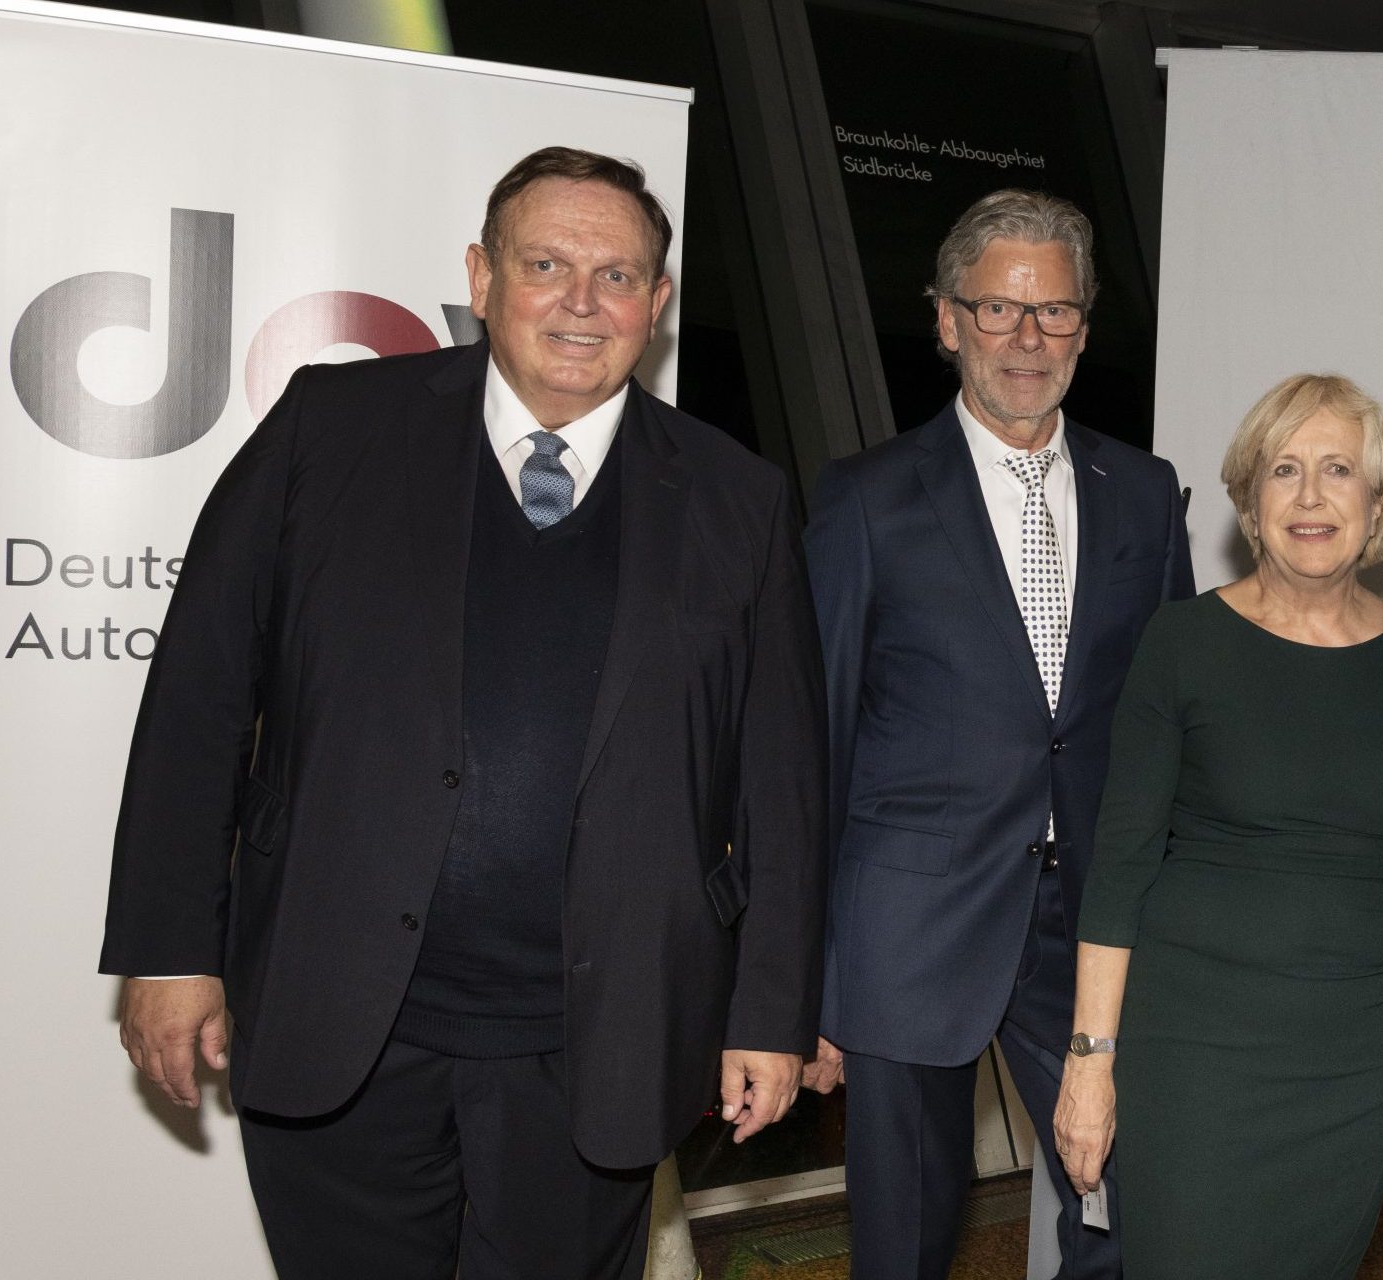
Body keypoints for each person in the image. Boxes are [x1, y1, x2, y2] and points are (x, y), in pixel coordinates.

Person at [100, 147, 827, 1280]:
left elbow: (782, 782)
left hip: (597, 1044)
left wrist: (771, 1010)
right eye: (545, 265)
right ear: (482, 277)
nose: (581, 302)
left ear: (657, 304)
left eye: (617, 276)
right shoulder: (331, 427)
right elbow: (200, 690)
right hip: (341, 1016)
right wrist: (168, 944)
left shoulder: (738, 495)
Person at [802, 189, 1194, 1280]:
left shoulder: (1145, 492)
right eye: (999, 309)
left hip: (1096, 928)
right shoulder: (867, 499)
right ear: (947, 320)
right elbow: (816, 740)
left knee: (1124, 1214)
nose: (1028, 338)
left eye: (1054, 311)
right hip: (907, 928)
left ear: (1084, 326)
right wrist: (808, 977)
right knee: (905, 1240)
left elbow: (1171, 726)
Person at [1057, 373, 1383, 1279]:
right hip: (1197, 1052)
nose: (1311, 495)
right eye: (1284, 470)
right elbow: (1121, 867)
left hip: (1361, 1059)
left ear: (1379, 503)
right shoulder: (1182, 643)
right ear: (1251, 503)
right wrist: (1090, 1061)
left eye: (1339, 469)